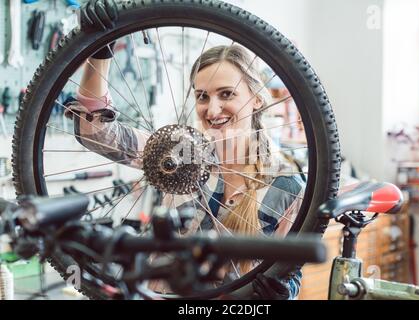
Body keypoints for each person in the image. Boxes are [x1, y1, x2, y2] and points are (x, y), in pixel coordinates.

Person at [66, 0, 306, 300]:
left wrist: (281, 294)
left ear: (257, 98)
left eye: (227, 94)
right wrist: (98, 52)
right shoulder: (178, 154)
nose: (212, 108)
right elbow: (96, 134)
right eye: (202, 96)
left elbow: (290, 277)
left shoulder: (287, 188)